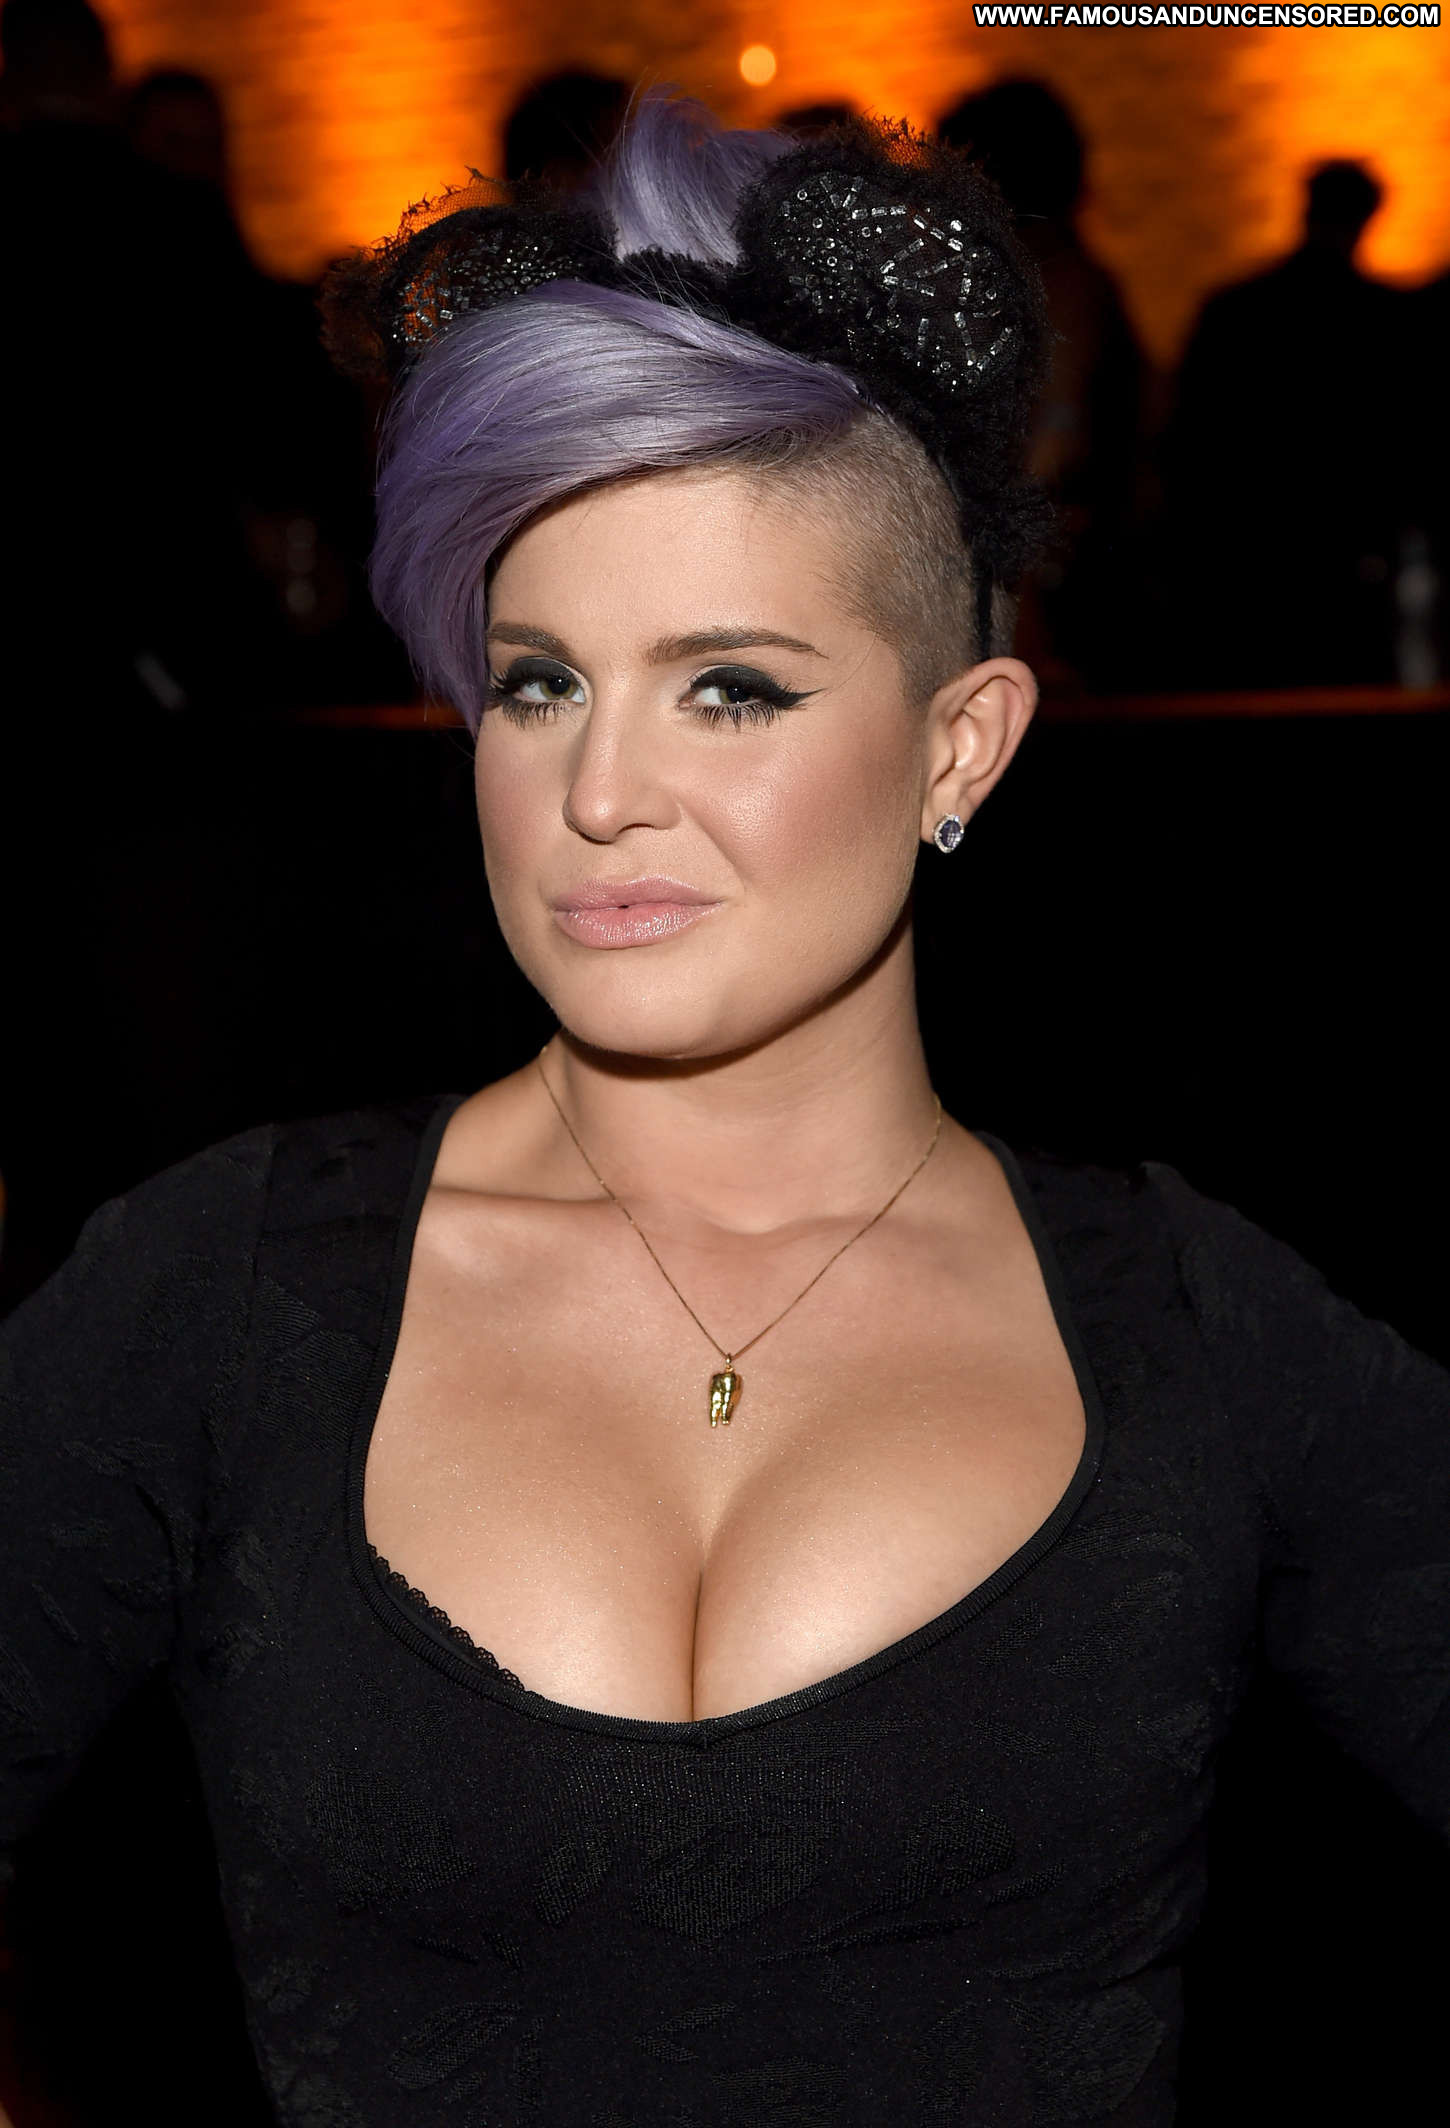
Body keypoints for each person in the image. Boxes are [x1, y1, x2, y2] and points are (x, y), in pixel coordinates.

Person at [1, 89, 1447, 2128]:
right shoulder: (212, 1287)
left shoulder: (1201, 1331)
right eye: (537, 682)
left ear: (961, 745)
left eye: (730, 687)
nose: (598, 793)